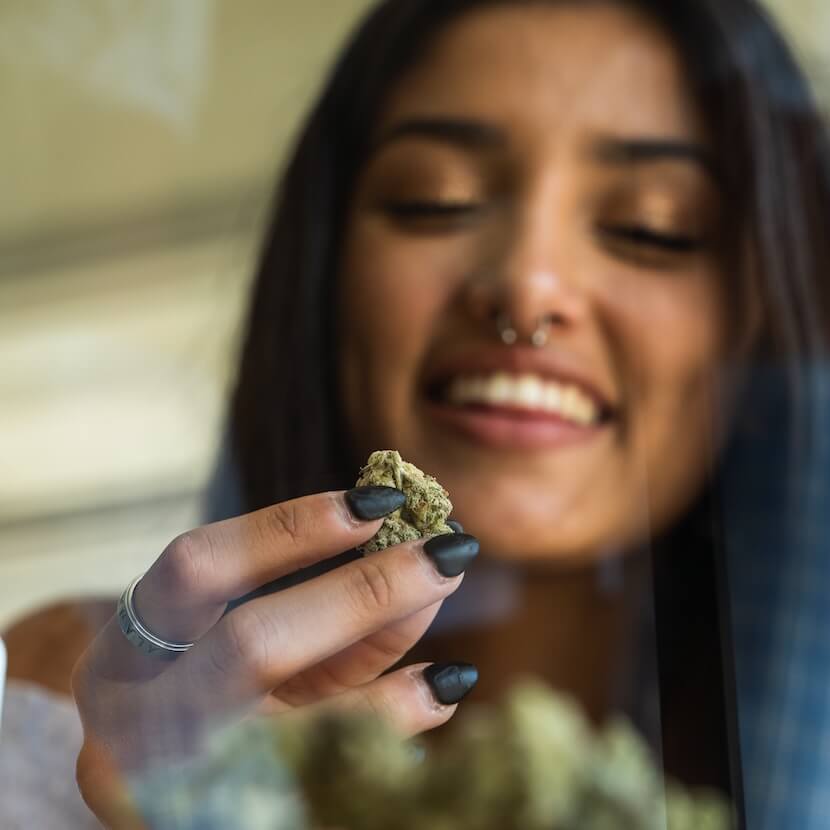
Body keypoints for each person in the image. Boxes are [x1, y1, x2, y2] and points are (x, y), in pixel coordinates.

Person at [9, 0, 830, 827]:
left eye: (651, 227)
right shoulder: (62, 717)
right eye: (436, 199)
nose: (527, 284)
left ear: (765, 323)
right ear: (326, 275)